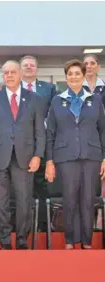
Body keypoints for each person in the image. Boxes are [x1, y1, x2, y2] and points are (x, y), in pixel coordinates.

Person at [0, 60, 45, 249]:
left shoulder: (34, 99)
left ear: (20, 75)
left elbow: (40, 131)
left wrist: (38, 155)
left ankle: (23, 239)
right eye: (6, 72)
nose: (9, 76)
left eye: (12, 72)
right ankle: (5, 240)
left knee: (24, 198)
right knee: (1, 201)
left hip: (25, 157)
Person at [45, 59, 105, 250]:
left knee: (88, 200)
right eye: (70, 74)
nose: (74, 77)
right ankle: (70, 240)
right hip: (65, 157)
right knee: (70, 199)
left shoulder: (95, 99)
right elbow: (50, 133)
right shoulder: (57, 100)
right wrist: (49, 161)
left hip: (91, 155)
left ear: (83, 75)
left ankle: (86, 241)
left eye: (77, 73)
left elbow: (103, 130)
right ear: (66, 77)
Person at [20, 55, 58, 232]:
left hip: (41, 143)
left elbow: (54, 114)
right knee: (21, 187)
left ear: (37, 69)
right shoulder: (12, 89)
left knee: (42, 185)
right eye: (25, 65)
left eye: (32, 65)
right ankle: (22, 225)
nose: (28, 67)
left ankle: (43, 225)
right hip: (19, 145)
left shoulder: (49, 88)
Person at [83, 54, 105, 229]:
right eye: (86, 64)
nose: (89, 66)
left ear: (98, 66)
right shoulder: (74, 88)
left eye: (92, 63)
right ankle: (85, 226)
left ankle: (100, 224)